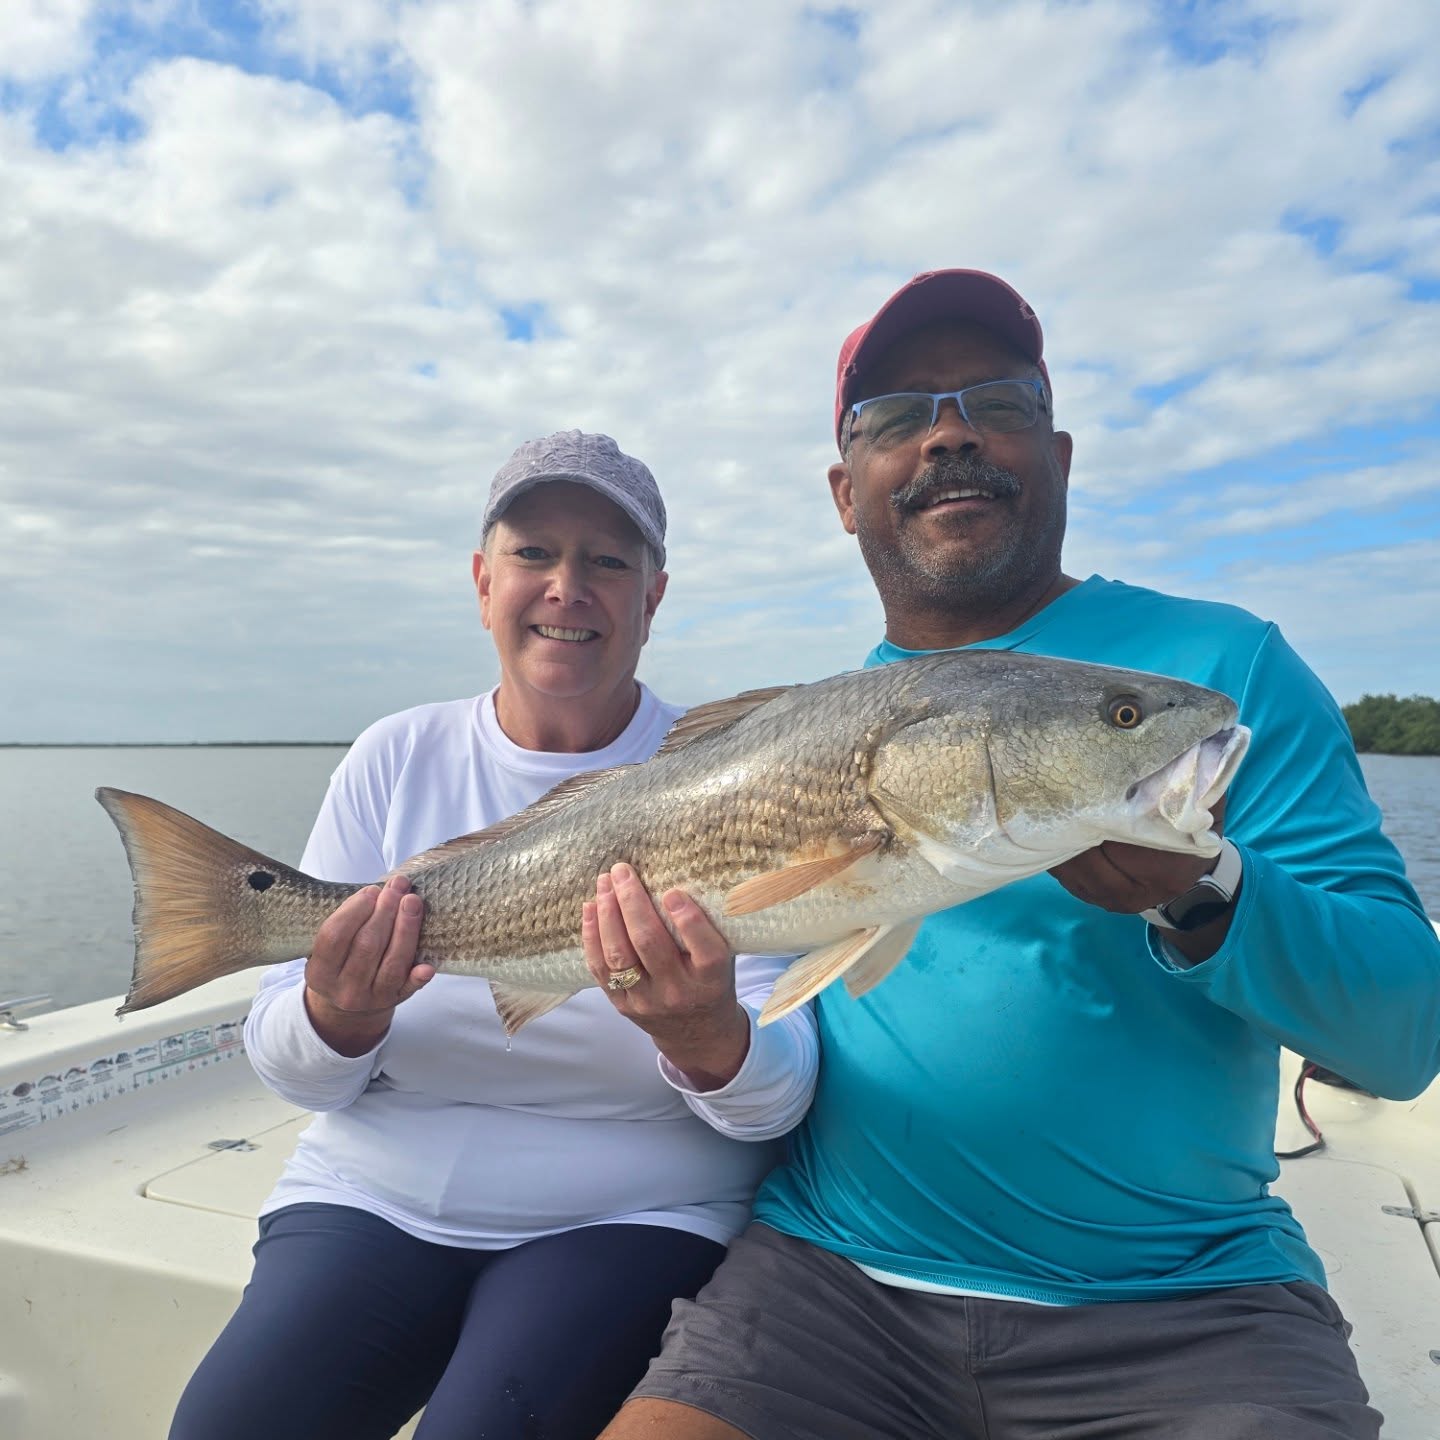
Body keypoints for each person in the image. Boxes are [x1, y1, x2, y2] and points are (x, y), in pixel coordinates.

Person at [599, 270, 1440, 1440]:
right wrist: (696, 1031)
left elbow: (1405, 1038)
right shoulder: (811, 731)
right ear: (847, 495)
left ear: (1059, 452)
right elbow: (776, 1010)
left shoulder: (1218, 675)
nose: (947, 432)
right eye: (896, 416)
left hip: (1189, 1308)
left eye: (995, 399)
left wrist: (1210, 896)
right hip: (828, 1283)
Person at [167, 431, 818, 1440]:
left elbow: (775, 1102)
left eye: (609, 561)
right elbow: (295, 1074)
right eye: (534, 554)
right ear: (483, 583)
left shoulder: (735, 769)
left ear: (651, 599)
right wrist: (336, 1013)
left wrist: (705, 1038)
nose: (569, 587)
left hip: (635, 1205)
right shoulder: (394, 755)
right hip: (371, 1193)